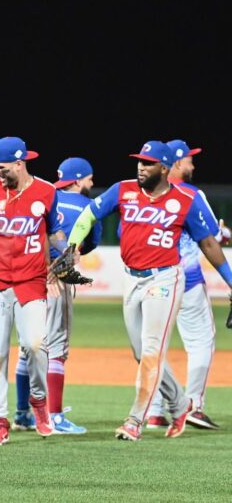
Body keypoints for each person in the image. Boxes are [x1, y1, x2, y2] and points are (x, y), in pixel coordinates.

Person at [68, 140, 232, 441]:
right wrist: (71, 247)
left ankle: (135, 420)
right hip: (131, 279)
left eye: (149, 162)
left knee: (152, 350)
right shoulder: (123, 190)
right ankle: (181, 405)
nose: (141, 167)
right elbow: (89, 215)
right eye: (140, 161)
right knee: (140, 352)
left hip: (165, 279)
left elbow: (209, 243)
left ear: (165, 168)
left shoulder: (185, 200)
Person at [0, 136, 66, 446]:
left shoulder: (47, 191)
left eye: (4, 168)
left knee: (35, 345)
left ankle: (38, 400)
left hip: (32, 280)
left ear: (20, 164)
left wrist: (64, 252)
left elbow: (54, 232)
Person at [141, 140, 229, 431]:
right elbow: (212, 237)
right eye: (189, 160)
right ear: (175, 164)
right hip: (186, 280)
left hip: (150, 284)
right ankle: (193, 405)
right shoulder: (191, 194)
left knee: (154, 346)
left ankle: (153, 410)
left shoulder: (140, 196)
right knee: (201, 341)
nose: (192, 165)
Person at [23, 156, 101, 434]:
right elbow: (89, 243)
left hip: (30, 276)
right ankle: (54, 415)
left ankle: (23, 414)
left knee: (29, 346)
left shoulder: (46, 197)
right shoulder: (88, 206)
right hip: (59, 277)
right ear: (79, 180)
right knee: (57, 347)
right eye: (89, 179)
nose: (91, 184)